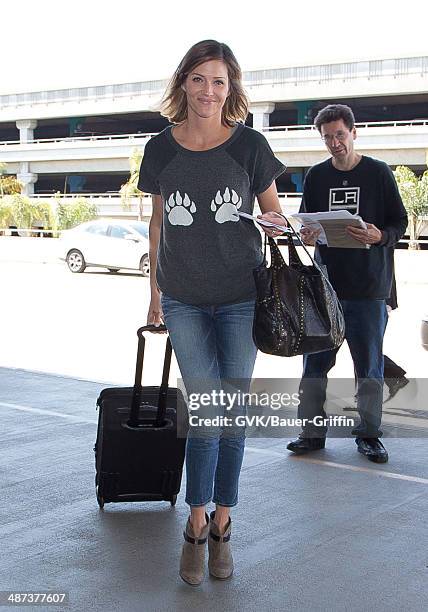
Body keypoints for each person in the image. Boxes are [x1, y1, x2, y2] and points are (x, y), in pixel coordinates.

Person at [137, 40, 287, 586]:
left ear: (232, 88)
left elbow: (274, 213)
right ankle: (195, 524)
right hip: (182, 296)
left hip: (242, 296)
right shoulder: (160, 149)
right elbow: (156, 225)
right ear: (183, 84)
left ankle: (223, 523)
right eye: (198, 79)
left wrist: (273, 224)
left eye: (218, 81)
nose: (208, 90)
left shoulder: (250, 146)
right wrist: (153, 293)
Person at [286, 104, 408, 463]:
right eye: (327, 138)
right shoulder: (317, 176)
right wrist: (307, 234)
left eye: (340, 135)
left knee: (367, 367)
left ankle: (369, 435)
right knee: (314, 365)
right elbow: (309, 223)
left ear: (353, 133)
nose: (335, 143)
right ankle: (310, 433)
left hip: (370, 287)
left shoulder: (378, 173)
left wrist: (377, 234)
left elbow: (398, 223)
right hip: (325, 288)